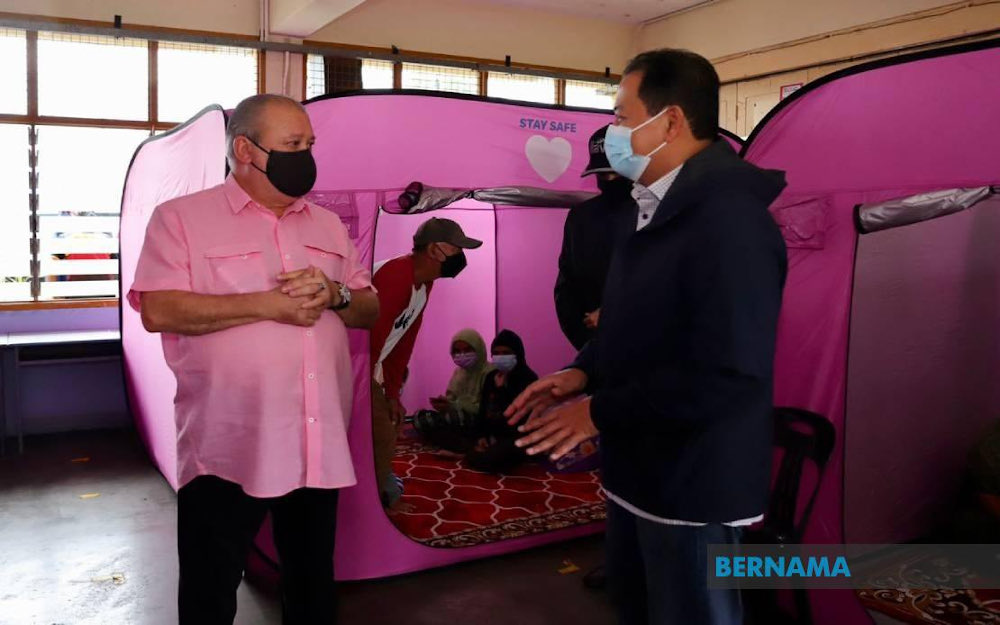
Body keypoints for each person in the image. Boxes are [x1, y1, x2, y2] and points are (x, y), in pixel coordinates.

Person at [507, 49, 788, 625]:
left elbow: (728, 371)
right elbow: (634, 323)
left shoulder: (729, 220)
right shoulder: (653, 209)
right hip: (641, 470)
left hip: (693, 483)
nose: (612, 131)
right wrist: (581, 371)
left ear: (671, 121)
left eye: (620, 114)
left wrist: (598, 413)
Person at [129, 94, 380, 625]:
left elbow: (368, 306)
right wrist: (268, 305)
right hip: (228, 442)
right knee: (210, 585)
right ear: (244, 149)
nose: (305, 156)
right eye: (292, 145)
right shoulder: (182, 220)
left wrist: (334, 294)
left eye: (310, 144)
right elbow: (159, 308)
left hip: (316, 438)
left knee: (312, 579)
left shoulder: (328, 225)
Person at [370, 217, 482, 509]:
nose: (462, 257)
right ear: (434, 250)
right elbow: (369, 340)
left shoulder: (424, 283)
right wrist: (377, 391)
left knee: (390, 422)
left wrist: (393, 394)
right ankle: (383, 501)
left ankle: (380, 484)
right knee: (381, 429)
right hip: (351, 363)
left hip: (372, 366)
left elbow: (403, 341)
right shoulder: (396, 275)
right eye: (457, 249)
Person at [555, 124, 636, 350]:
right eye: (602, 174)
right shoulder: (580, 218)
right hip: (593, 348)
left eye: (615, 173)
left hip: (647, 350)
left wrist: (614, 314)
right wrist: (587, 345)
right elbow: (566, 288)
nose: (608, 180)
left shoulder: (653, 212)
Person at [466, 329, 540, 473]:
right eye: (496, 353)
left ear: (517, 354)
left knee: (499, 455)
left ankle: (472, 454)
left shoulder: (528, 379)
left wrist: (501, 391)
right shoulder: (491, 377)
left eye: (506, 353)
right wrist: (482, 436)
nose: (500, 357)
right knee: (466, 436)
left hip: (515, 436)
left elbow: (519, 420)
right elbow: (483, 411)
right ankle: (475, 452)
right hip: (492, 435)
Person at [429, 329, 494, 427]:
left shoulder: (490, 372)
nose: (462, 354)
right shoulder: (458, 372)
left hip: (479, 420)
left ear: (478, 349)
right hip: (457, 416)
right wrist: (445, 404)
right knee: (420, 417)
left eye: (467, 350)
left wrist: (455, 406)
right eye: (457, 351)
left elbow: (487, 408)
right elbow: (452, 398)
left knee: (453, 418)